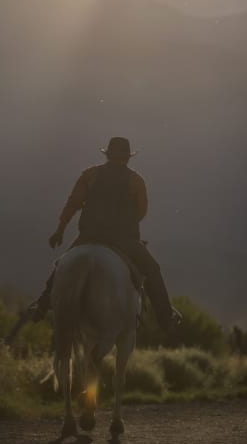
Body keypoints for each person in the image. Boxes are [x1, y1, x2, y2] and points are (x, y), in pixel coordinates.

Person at [30, 137, 182, 332]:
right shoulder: (136, 181)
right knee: (152, 269)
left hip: (89, 235)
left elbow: (73, 203)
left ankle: (42, 305)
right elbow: (141, 212)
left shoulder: (90, 175)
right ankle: (165, 318)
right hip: (123, 240)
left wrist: (60, 230)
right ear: (128, 158)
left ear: (108, 155)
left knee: (62, 265)